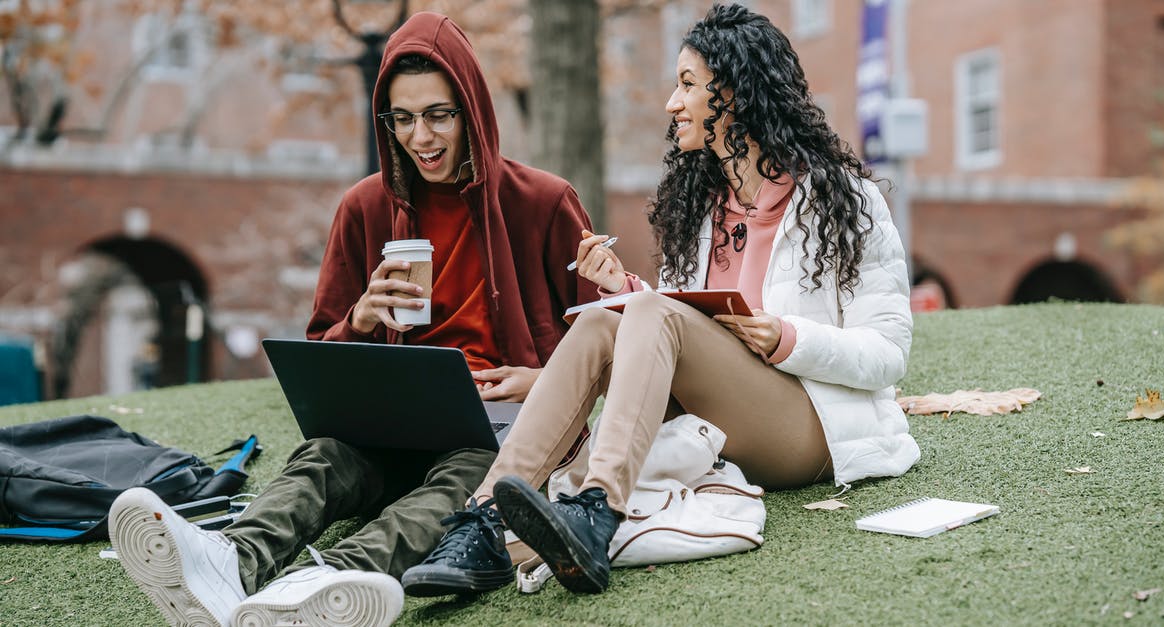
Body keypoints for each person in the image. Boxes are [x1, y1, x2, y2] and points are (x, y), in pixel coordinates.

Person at [405, 3, 920, 596]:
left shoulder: (843, 201)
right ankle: (484, 520)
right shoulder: (700, 207)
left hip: (814, 426)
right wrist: (623, 291)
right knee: (604, 318)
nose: (672, 103)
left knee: (643, 312)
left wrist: (787, 338)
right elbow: (677, 321)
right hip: (720, 417)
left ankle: (598, 507)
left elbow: (888, 352)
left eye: (687, 85)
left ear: (738, 95)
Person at [106, 12, 594, 627]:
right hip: (390, 426)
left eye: (440, 114)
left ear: (473, 109)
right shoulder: (363, 207)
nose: (422, 136)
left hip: (499, 429)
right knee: (326, 455)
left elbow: (602, 340)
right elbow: (324, 352)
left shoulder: (544, 202)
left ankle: (326, 583)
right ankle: (230, 562)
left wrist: (540, 378)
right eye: (403, 117)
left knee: (469, 477)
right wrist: (361, 320)